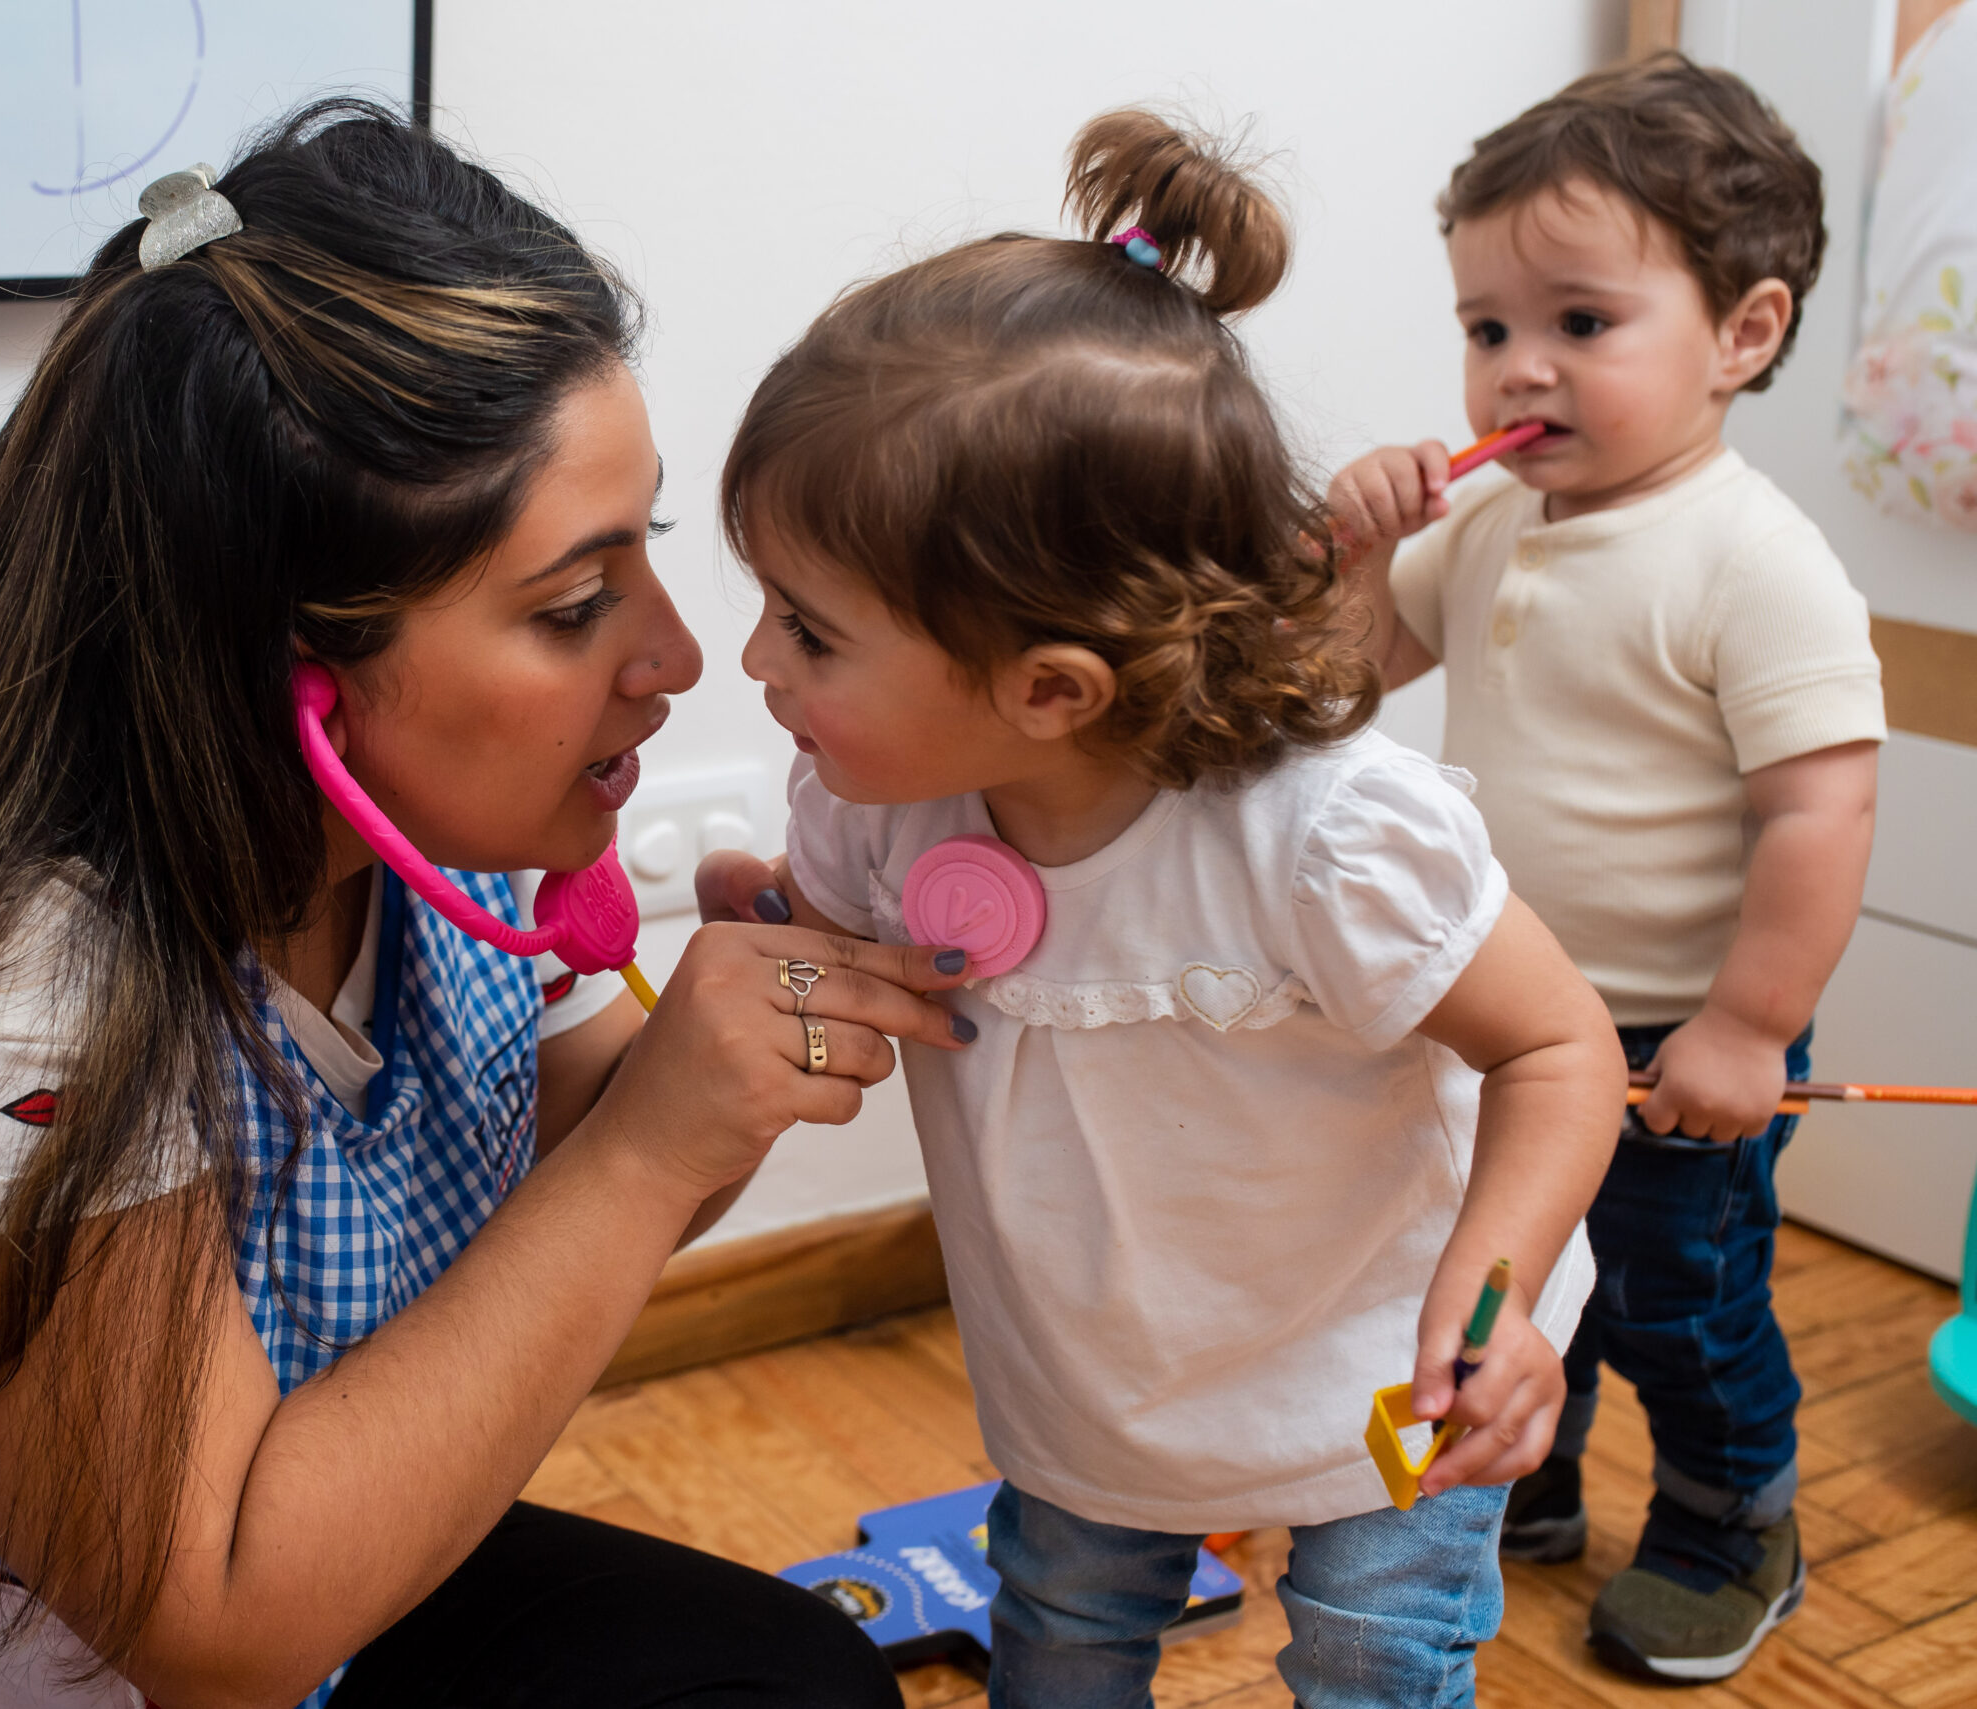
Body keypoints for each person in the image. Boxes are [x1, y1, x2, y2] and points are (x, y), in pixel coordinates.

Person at [0, 100, 972, 1709]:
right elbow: (223, 1627)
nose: (673, 657)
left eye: (638, 552)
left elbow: (576, 1169)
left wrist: (715, 1073)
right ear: (288, 669)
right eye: (575, 605)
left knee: (788, 1687)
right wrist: (659, 1145)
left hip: (161, 1559)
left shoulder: (444, 820)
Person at [695, 109, 1624, 1709]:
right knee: (1057, 1633)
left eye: (807, 628)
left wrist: (1492, 1306)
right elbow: (865, 970)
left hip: (1378, 1351)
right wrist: (790, 939)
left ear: (1048, 687)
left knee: (1374, 1658)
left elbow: (1559, 1047)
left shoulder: (1326, 838)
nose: (754, 666)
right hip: (1097, 1374)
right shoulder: (872, 805)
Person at [1329, 55, 1885, 1683]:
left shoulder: (1753, 559)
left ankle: (1731, 1516)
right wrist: (1364, 553)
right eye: (1488, 325)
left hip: (1674, 1033)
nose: (1520, 372)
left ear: (1744, 334)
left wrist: (1746, 1023)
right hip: (1505, 1008)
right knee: (1503, 1256)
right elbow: (1348, 673)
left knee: (1676, 1303)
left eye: (1582, 324)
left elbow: (1820, 815)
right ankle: (1539, 1469)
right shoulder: (1492, 521)